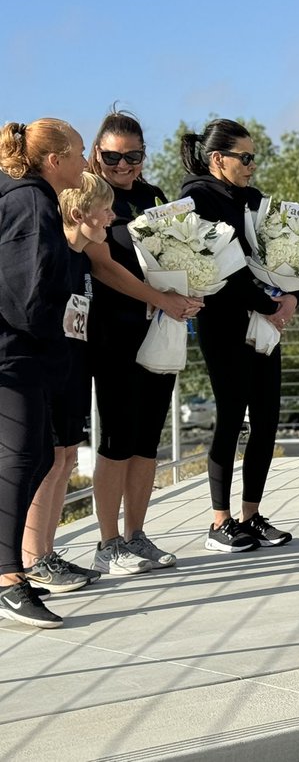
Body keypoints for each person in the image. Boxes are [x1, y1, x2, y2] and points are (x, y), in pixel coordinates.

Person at [84, 110, 201, 575]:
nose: (122, 165)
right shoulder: (90, 195)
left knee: (148, 439)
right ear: (97, 152)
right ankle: (107, 543)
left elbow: (179, 253)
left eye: (133, 156)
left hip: (158, 331)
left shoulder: (153, 196)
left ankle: (137, 534)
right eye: (112, 156)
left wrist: (192, 291)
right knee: (116, 439)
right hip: (112, 333)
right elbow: (102, 266)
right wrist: (161, 297)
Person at [180, 119, 299, 552]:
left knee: (266, 419)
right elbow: (217, 268)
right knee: (231, 417)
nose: (252, 165)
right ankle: (219, 521)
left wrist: (293, 297)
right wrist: (270, 305)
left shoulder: (255, 200)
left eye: (253, 157)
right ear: (218, 159)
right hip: (226, 321)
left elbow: (291, 252)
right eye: (245, 158)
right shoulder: (195, 197)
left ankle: (251, 515)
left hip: (266, 322)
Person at [0, 118, 86, 628]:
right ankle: (10, 578)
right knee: (24, 456)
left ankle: (9, 569)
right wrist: (56, 334)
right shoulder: (32, 203)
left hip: (22, 350)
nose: (84, 160)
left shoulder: (27, 196)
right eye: (77, 152)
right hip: (16, 351)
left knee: (30, 457)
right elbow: (26, 294)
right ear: (53, 160)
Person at [22, 173, 115, 594]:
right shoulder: (54, 252)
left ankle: (47, 553)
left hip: (76, 365)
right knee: (48, 462)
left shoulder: (82, 258)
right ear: (80, 214)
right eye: (106, 210)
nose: (113, 217)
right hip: (50, 369)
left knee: (66, 460)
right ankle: (32, 559)